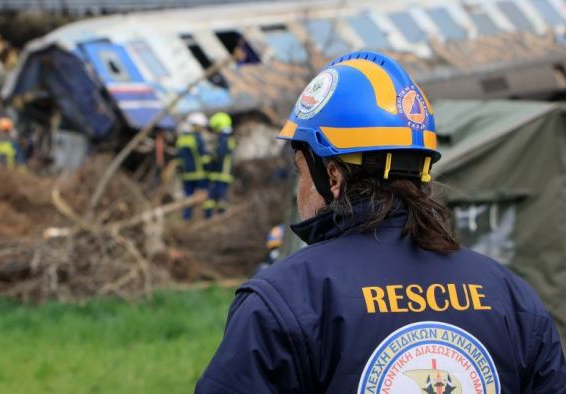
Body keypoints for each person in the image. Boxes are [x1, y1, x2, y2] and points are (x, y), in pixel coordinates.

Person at [196, 51, 566, 393]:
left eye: (300, 174)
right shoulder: (513, 299)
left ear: (333, 176)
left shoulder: (283, 301)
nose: (299, 191)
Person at [176, 112, 212, 220]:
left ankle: (186, 217)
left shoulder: (181, 139)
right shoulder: (197, 139)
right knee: (205, 195)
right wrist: (209, 169)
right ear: (196, 126)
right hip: (199, 173)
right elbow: (203, 158)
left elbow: (179, 156)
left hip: (186, 174)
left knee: (188, 197)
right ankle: (208, 216)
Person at [206, 112, 236, 218]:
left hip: (223, 170)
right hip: (222, 171)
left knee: (220, 194)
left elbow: (220, 154)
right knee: (219, 195)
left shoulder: (224, 138)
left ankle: (219, 214)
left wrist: (211, 159)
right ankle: (217, 214)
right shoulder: (227, 137)